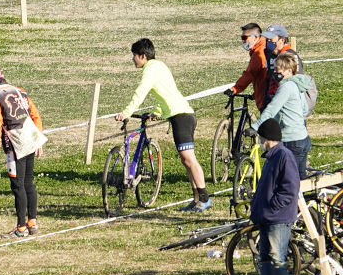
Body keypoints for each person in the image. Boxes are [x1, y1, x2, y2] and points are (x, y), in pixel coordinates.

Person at [116, 38, 209, 212]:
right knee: (186, 160)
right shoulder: (159, 66)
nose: (132, 59)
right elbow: (165, 91)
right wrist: (158, 112)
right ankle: (197, 199)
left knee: (189, 158)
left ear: (143, 56)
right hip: (180, 115)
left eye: (134, 55)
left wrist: (126, 112)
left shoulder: (149, 70)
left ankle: (204, 198)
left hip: (181, 116)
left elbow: (141, 92)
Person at [0, 63, 44, 238]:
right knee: (29, 182)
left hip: (15, 142)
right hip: (30, 137)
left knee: (18, 185)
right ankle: (32, 222)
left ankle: (21, 228)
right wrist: (38, 139)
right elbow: (35, 115)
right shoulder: (19, 90)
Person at [248, 118, 299, 275]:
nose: (260, 143)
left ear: (267, 139)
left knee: (278, 257)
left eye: (261, 139)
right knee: (265, 258)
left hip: (278, 217)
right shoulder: (272, 157)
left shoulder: (284, 156)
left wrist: (272, 207)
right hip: (267, 218)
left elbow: (290, 189)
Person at [256, 52, 312, 179]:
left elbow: (272, 109)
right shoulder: (297, 84)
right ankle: (308, 199)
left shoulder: (286, 87)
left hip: (291, 140)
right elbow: (305, 109)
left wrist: (255, 127)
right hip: (302, 138)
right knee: (300, 178)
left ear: (288, 71)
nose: (274, 72)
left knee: (288, 179)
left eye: (277, 69)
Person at [227, 23, 271, 109]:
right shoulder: (263, 48)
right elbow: (263, 75)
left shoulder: (259, 53)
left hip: (266, 99)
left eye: (244, 38)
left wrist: (235, 89)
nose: (243, 41)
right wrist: (255, 95)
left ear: (255, 37)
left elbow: (250, 74)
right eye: (242, 38)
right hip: (265, 94)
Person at [260, 24, 299, 106]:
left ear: (282, 40)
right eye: (267, 38)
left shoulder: (290, 56)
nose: (268, 41)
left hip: (286, 102)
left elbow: (297, 79)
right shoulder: (268, 55)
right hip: (271, 101)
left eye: (271, 38)